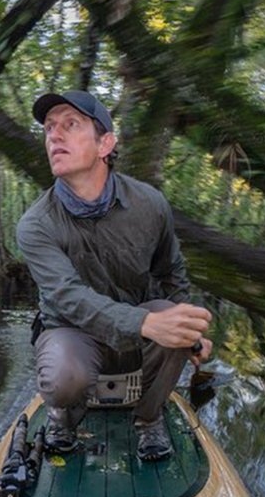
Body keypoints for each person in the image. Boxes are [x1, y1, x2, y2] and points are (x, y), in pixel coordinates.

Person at [16, 90, 213, 461]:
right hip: (71, 332)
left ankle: (149, 419)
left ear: (105, 143)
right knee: (63, 376)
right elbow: (68, 298)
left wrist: (190, 331)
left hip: (136, 333)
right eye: (49, 128)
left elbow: (171, 273)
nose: (54, 136)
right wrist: (145, 323)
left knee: (174, 320)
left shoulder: (150, 204)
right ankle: (65, 418)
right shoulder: (35, 224)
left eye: (70, 125)